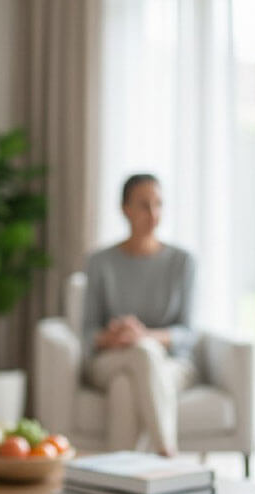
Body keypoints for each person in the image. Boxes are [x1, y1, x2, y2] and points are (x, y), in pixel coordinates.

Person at [82, 174, 196, 457]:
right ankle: (166, 452)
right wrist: (113, 337)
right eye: (144, 205)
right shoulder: (100, 262)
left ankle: (115, 480)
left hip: (169, 362)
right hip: (111, 357)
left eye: (158, 204)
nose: (153, 214)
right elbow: (87, 332)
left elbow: (188, 333)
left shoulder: (182, 262)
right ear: (125, 209)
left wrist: (144, 336)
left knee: (125, 385)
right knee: (140, 354)